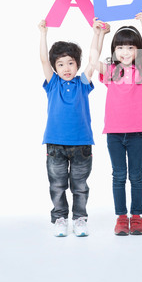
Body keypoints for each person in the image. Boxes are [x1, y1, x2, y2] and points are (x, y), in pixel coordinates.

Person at [38, 17, 109, 237]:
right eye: (60, 64)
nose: (66, 68)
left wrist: (99, 35)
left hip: (81, 146)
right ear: (55, 68)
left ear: (77, 64)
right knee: (57, 185)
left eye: (70, 63)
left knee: (80, 186)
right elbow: (43, 60)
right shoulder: (53, 84)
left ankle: (79, 219)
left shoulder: (82, 84)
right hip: (55, 145)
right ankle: (60, 218)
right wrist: (43, 34)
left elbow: (94, 58)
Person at [96, 9, 142, 236]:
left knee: (137, 176)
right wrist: (99, 35)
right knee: (119, 175)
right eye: (120, 47)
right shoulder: (111, 71)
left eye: (131, 47)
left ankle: (137, 216)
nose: (125, 51)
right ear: (114, 51)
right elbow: (93, 60)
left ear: (137, 50)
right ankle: (121, 217)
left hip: (137, 133)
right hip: (114, 133)